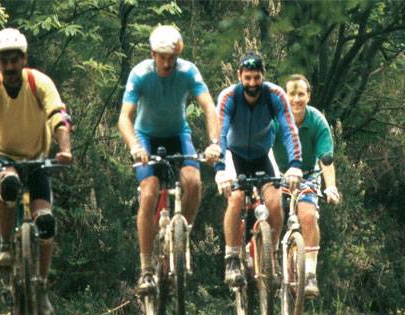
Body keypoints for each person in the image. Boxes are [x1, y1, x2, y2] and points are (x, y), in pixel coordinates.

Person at [0, 28, 73, 315]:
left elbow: (59, 116)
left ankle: (40, 287)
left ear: (24, 59)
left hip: (38, 157)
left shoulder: (39, 83)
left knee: (47, 223)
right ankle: (4, 245)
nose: (11, 67)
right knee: (10, 185)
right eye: (5, 62)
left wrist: (64, 149)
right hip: (3, 157)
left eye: (15, 60)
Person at [117, 25, 221, 295]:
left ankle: (182, 234)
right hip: (146, 137)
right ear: (152, 54)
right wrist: (134, 147)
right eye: (161, 57)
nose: (166, 63)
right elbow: (124, 118)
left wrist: (213, 143)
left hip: (177, 134)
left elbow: (209, 106)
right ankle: (146, 270)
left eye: (171, 57)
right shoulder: (140, 74)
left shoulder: (188, 72)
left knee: (194, 183)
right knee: (149, 191)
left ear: (178, 54)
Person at [214, 53, 303, 286]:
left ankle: (269, 256)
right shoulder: (228, 97)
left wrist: (295, 165)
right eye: (248, 78)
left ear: (263, 76)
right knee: (235, 199)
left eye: (257, 78)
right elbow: (219, 134)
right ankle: (232, 257)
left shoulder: (274, 95)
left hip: (263, 155)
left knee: (275, 202)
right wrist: (220, 169)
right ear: (239, 76)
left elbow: (289, 130)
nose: (252, 83)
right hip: (235, 155)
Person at [270, 74, 341, 299]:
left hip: (308, 175)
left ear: (308, 96)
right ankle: (267, 261)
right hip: (277, 173)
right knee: (271, 212)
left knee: (308, 215)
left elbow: (326, 159)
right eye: (292, 94)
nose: (297, 99)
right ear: (285, 96)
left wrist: (331, 187)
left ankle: (309, 274)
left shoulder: (317, 121)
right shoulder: (275, 120)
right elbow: (263, 148)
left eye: (301, 94)